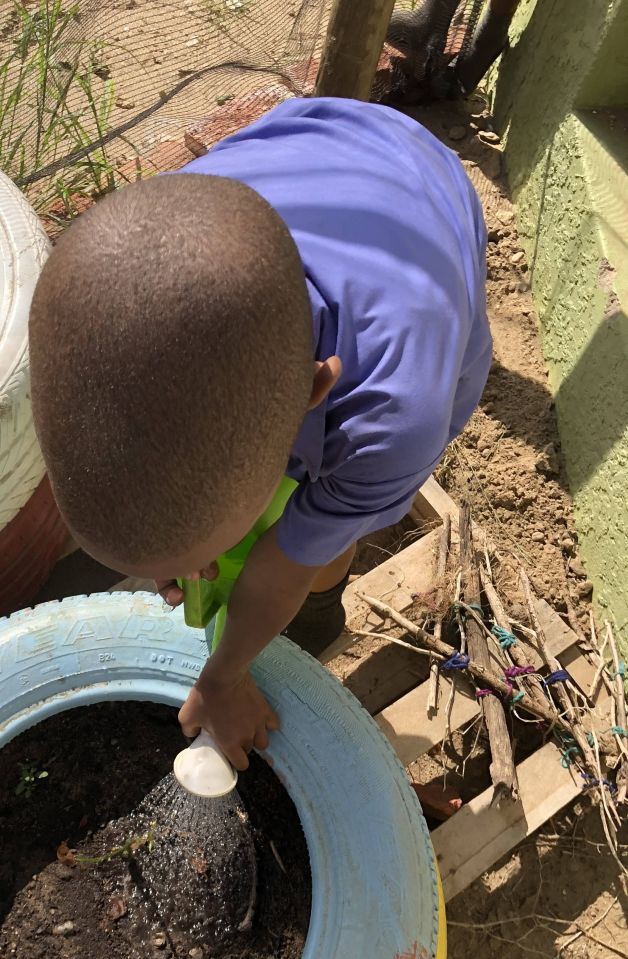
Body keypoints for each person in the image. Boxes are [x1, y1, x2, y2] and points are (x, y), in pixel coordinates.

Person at [29, 97, 492, 770]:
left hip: (425, 195)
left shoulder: (389, 421)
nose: (179, 580)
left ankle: (323, 606)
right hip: (309, 143)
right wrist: (181, 547)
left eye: (183, 567)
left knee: (326, 537)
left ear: (314, 395)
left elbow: (286, 563)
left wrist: (222, 677)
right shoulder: (140, 252)